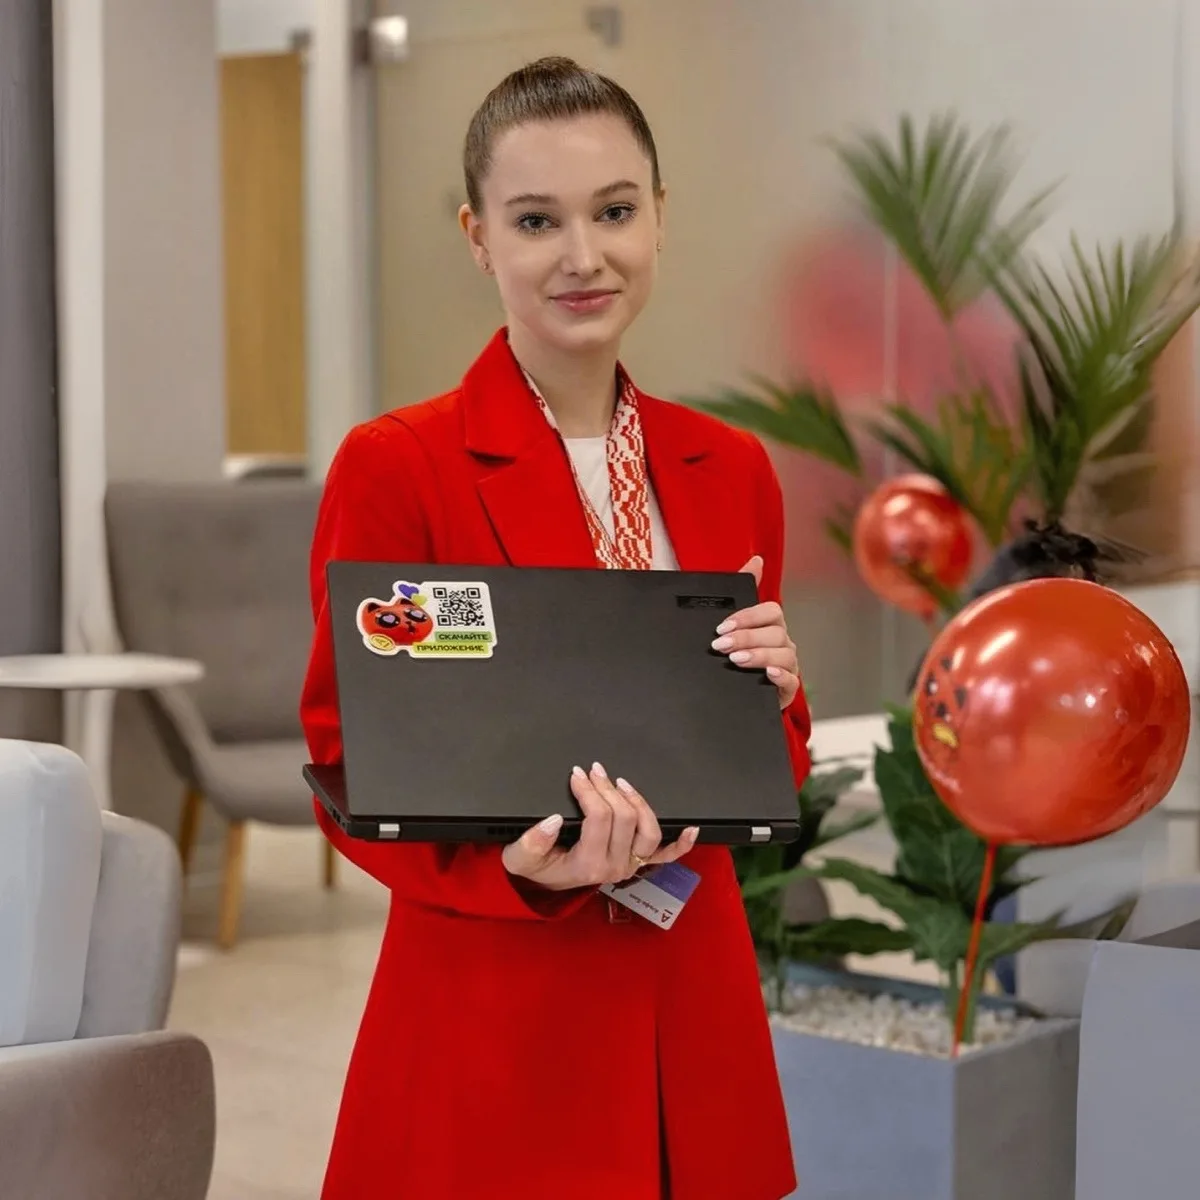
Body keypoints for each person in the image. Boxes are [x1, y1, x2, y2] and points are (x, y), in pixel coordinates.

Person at [301, 56, 812, 1200]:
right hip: (497, 1001)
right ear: (480, 237)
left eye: (614, 212)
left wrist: (770, 698)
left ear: (660, 218)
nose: (584, 256)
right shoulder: (399, 467)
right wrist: (524, 872)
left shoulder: (730, 468)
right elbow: (346, 763)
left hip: (687, 996)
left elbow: (777, 762)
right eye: (538, 221)